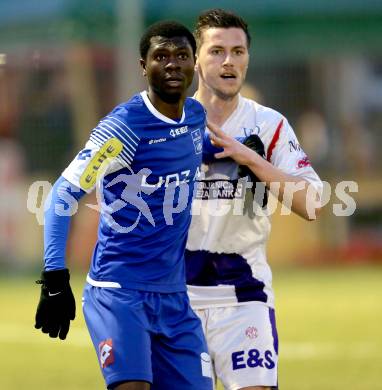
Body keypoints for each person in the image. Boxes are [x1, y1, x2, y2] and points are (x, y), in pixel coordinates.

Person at [34, 21, 213, 390]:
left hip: (174, 298)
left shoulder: (195, 118)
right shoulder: (125, 127)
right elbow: (61, 195)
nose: (172, 64)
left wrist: (245, 151)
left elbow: (194, 150)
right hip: (119, 292)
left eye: (181, 55)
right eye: (160, 56)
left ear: (195, 63)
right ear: (142, 66)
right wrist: (54, 277)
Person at [185, 9, 323, 390]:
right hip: (176, 299)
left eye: (238, 51)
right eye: (216, 51)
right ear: (196, 58)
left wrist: (251, 159)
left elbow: (312, 205)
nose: (229, 61)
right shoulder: (166, 123)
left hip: (244, 295)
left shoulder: (268, 125)